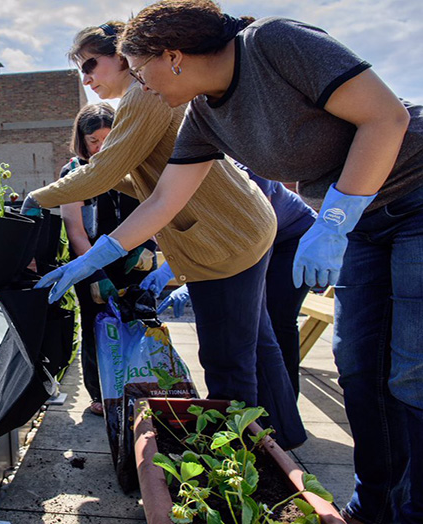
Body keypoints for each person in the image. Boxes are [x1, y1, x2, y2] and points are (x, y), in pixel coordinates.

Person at [118, 2, 423, 521]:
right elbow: (164, 200)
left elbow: (385, 116)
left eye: (139, 70)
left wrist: (332, 222)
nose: (140, 85)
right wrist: (98, 256)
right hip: (362, 224)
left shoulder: (273, 42)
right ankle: (373, 505)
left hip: (414, 196)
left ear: (172, 56)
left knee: (413, 369)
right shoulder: (204, 116)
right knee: (359, 367)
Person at [20, 21, 307, 450]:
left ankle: (239, 460)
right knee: (257, 345)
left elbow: (105, 172)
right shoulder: (144, 98)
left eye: (91, 64)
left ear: (122, 55)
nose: (86, 79)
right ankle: (283, 437)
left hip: (224, 238)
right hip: (243, 225)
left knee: (226, 358)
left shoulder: (144, 97)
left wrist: (38, 197)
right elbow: (139, 181)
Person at [144, 168, 317, 397]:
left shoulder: (247, 170)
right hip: (248, 240)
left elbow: (256, 230)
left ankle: (284, 400)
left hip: (291, 236)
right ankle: (258, 401)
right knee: (252, 326)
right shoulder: (185, 173)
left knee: (278, 320)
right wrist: (171, 271)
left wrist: (193, 279)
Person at [59, 102, 156, 416]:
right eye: (93, 141)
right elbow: (76, 231)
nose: (101, 147)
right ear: (82, 141)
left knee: (139, 324)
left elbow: (156, 208)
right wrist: (95, 272)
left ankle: (140, 387)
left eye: (108, 138)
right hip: (91, 263)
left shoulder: (137, 166)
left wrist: (148, 245)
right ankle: (101, 394)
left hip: (134, 261)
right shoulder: (74, 173)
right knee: (96, 328)